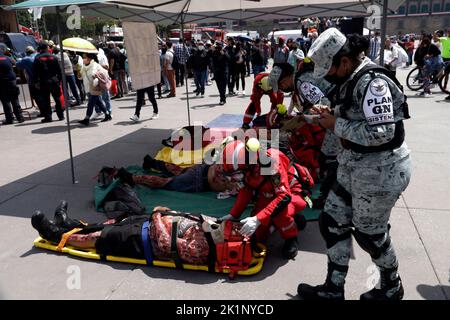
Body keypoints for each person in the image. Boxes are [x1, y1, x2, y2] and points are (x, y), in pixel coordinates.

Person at [297, 28, 411, 300]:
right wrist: (327, 114)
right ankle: (334, 289)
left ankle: (391, 287)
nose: (330, 76)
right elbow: (353, 113)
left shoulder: (374, 83)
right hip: (354, 167)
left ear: (345, 62)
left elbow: (383, 133)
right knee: (331, 221)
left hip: (382, 172)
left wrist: (337, 124)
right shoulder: (352, 79)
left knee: (370, 236)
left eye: (331, 70)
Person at [219, 138, 310, 260]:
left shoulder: (270, 163)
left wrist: (258, 218)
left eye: (236, 174)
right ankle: (294, 221)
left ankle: (291, 237)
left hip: (293, 192)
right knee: (256, 233)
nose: (233, 179)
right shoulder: (249, 168)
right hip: (269, 193)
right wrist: (234, 215)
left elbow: (284, 197)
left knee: (279, 215)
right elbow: (247, 190)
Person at [241, 63, 291, 129]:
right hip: (260, 88)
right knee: (253, 105)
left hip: (271, 89)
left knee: (276, 103)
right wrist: (258, 111)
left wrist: (277, 109)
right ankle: (246, 122)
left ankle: (273, 119)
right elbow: (256, 99)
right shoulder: (257, 83)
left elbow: (280, 95)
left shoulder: (275, 81)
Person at [33, 42, 64, 123]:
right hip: (54, 81)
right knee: (57, 99)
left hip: (44, 82)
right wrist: (59, 80)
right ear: (47, 48)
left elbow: (35, 72)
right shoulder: (54, 57)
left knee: (46, 100)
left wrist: (36, 82)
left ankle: (48, 117)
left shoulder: (37, 58)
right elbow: (59, 71)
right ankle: (61, 116)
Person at [77, 53, 111, 125]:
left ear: (89, 58)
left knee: (91, 103)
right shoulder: (83, 67)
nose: (83, 59)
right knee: (98, 102)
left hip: (95, 87)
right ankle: (107, 114)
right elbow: (80, 77)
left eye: (84, 57)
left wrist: (96, 76)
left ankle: (87, 118)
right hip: (87, 88)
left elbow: (104, 74)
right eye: (83, 57)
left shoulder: (96, 65)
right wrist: (78, 72)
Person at [0, 43, 24, 124]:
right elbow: (16, 63)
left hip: (2, 83)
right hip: (12, 82)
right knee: (15, 100)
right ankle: (20, 117)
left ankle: (9, 119)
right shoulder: (8, 58)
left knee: (6, 102)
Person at [16, 46, 43, 115]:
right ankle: (47, 110)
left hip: (33, 80)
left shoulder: (26, 59)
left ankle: (43, 111)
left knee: (37, 97)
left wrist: (19, 59)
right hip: (43, 79)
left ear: (27, 52)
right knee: (44, 96)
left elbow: (18, 65)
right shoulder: (39, 56)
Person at [211, 41, 230, 105]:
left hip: (224, 72)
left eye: (219, 45)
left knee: (223, 87)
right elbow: (213, 60)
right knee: (219, 87)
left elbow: (228, 58)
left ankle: (222, 99)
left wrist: (224, 54)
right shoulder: (214, 52)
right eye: (217, 45)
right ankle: (222, 97)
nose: (218, 47)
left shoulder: (224, 51)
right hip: (217, 72)